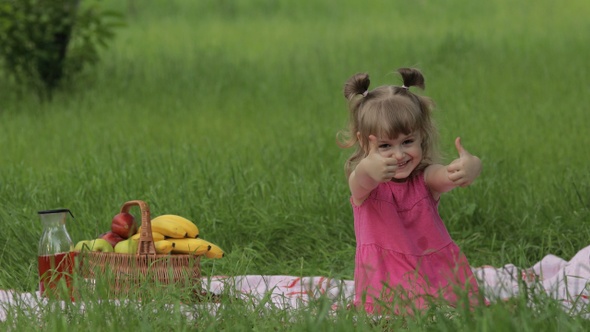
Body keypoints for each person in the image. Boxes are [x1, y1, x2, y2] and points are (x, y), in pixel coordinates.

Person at [338, 68, 483, 314]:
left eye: (407, 142)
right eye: (385, 146)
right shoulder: (366, 185)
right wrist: (368, 167)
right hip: (386, 279)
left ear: (420, 137)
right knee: (397, 316)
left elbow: (446, 175)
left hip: (432, 273)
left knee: (445, 314)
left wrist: (470, 167)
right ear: (364, 142)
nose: (399, 154)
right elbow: (359, 180)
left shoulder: (423, 178)